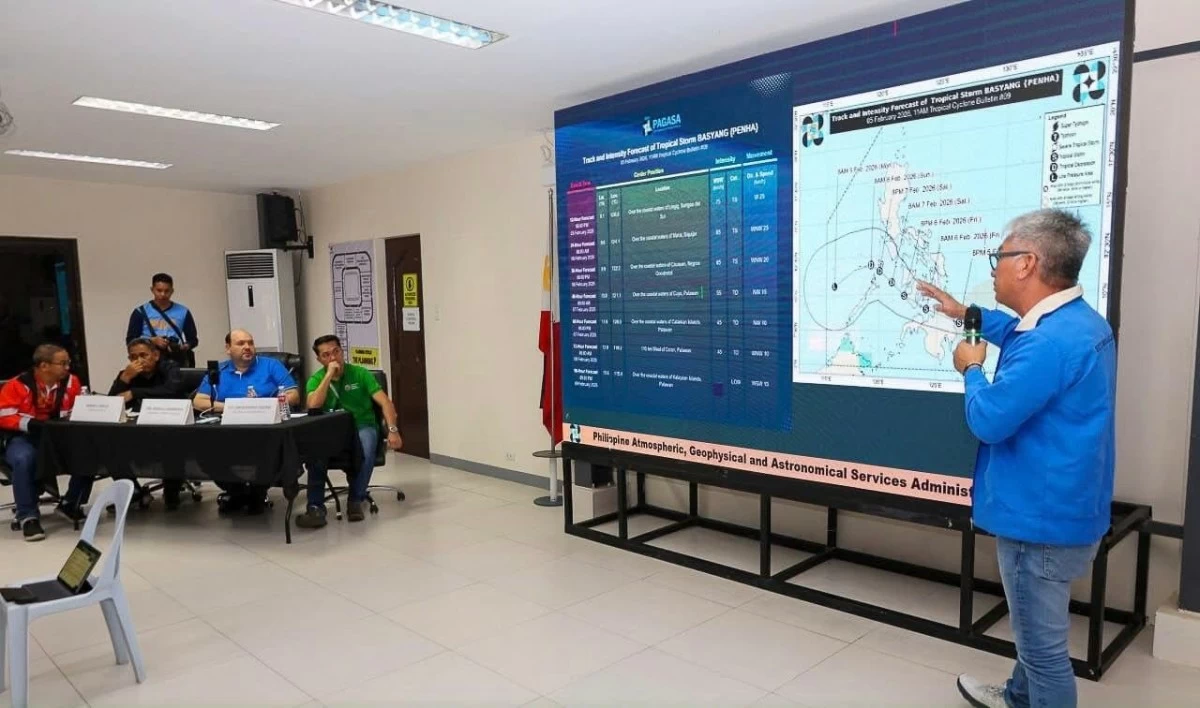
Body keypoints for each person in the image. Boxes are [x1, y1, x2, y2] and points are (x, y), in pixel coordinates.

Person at [916, 208, 1116, 708]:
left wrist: (972, 368)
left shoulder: (1047, 343)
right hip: (1067, 508)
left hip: (1037, 522)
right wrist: (968, 314)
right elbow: (1023, 337)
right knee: (1033, 626)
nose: (994, 267)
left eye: (999, 257)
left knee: (1042, 650)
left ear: (1027, 263)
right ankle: (1017, 698)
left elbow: (988, 419)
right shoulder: (1077, 323)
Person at [296, 335, 402, 527]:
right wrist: (328, 376)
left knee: (367, 451)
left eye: (336, 351)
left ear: (342, 351)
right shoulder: (317, 379)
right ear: (320, 360)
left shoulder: (360, 374)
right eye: (326, 355)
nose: (333, 357)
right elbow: (313, 405)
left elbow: (385, 402)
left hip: (362, 424)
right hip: (331, 429)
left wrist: (392, 430)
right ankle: (315, 508)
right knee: (315, 456)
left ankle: (355, 499)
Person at [193, 329, 300, 513]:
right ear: (228, 348)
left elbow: (293, 395)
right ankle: (238, 492)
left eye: (250, 343)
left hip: (264, 427)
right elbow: (199, 401)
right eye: (241, 343)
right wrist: (233, 407)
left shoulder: (271, 366)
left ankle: (257, 492)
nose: (247, 347)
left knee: (266, 450)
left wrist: (263, 406)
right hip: (226, 429)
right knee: (205, 451)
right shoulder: (219, 370)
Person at [0, 344, 93, 541]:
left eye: (68, 362)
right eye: (63, 363)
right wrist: (31, 424)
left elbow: (81, 409)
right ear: (44, 366)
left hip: (60, 435)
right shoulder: (16, 385)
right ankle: (28, 516)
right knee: (24, 459)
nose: (68, 367)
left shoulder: (72, 382)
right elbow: (3, 416)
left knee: (89, 452)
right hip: (24, 437)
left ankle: (70, 503)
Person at [107, 338, 190, 509]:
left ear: (156, 355)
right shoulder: (128, 373)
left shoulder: (170, 369)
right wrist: (124, 378)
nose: (139, 361)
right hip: (137, 430)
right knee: (109, 447)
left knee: (171, 444)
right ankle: (134, 492)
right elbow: (112, 404)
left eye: (144, 355)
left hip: (169, 429)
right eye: (133, 357)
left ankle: (172, 493)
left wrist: (134, 392)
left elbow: (171, 392)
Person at [125, 273, 199, 368]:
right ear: (152, 290)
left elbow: (193, 340)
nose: (163, 294)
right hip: (148, 362)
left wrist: (184, 347)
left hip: (175, 360)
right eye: (159, 290)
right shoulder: (140, 312)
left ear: (172, 291)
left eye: (166, 291)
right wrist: (151, 341)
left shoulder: (183, 312)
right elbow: (130, 340)